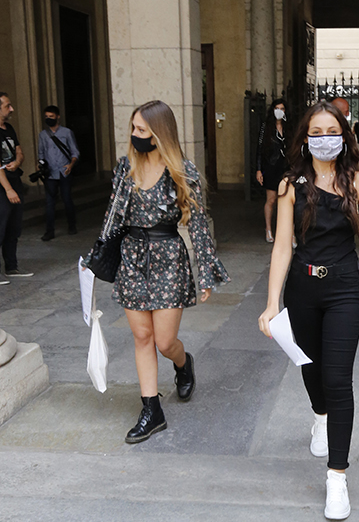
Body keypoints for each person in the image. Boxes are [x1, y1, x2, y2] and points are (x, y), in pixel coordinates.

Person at [258, 101, 359, 521]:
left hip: (343, 290)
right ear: (305, 139)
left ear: (344, 135)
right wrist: (271, 302)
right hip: (302, 287)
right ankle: (319, 416)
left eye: (330, 130)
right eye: (315, 132)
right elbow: (282, 246)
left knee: (338, 380)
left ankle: (337, 477)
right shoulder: (290, 185)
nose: (323, 139)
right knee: (310, 370)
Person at [93, 100, 229, 444]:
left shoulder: (182, 170)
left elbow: (197, 223)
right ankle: (151, 409)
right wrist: (95, 256)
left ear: (160, 133)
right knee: (142, 337)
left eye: (142, 130)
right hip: (132, 257)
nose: (135, 136)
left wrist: (207, 269)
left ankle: (183, 364)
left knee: (166, 341)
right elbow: (112, 217)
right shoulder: (125, 169)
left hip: (168, 256)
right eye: (134, 129)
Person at [0, 92, 33, 283]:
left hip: (14, 180)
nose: (11, 109)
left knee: (14, 227)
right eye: (7, 106)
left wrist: (18, 161)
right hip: (3, 186)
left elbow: (19, 151)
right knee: (1, 226)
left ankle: (11, 267)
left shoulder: (9, 128)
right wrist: (8, 189)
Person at [37, 105, 80, 240]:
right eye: (47, 117)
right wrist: (41, 165)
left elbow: (75, 151)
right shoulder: (43, 135)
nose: (49, 119)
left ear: (58, 116)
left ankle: (72, 225)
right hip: (50, 173)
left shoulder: (67, 133)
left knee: (67, 199)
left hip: (64, 170)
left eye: (51, 116)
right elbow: (41, 153)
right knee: (49, 202)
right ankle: (49, 231)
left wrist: (71, 164)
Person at [256, 97, 289, 243]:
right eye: (277, 109)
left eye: (282, 109)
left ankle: (287, 231)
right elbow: (259, 149)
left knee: (286, 199)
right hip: (270, 166)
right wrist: (258, 170)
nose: (279, 112)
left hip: (285, 167)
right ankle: (268, 229)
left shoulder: (289, 127)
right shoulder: (266, 126)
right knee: (271, 199)